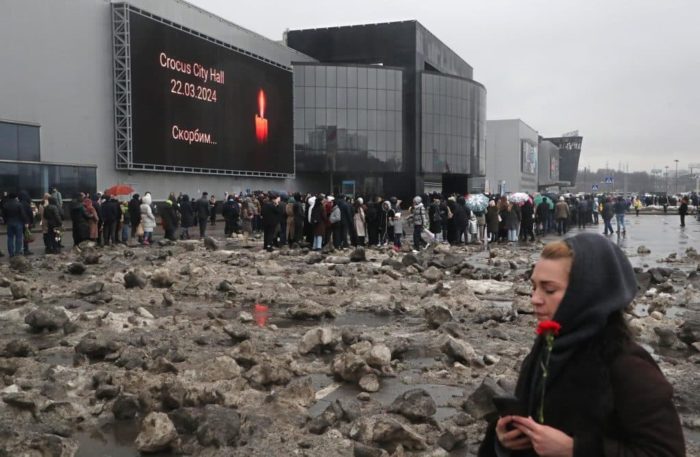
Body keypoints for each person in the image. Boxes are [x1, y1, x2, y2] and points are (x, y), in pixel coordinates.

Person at [478, 233, 685, 457]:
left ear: (586, 294)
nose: (535, 299)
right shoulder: (546, 350)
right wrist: (503, 441)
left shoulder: (627, 365)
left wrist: (575, 449)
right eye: (534, 287)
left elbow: (667, 452)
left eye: (549, 290)